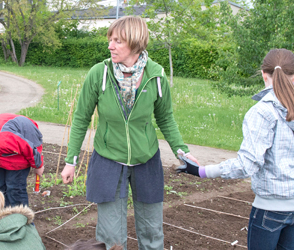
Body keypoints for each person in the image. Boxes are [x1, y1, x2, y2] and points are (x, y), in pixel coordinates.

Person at [60, 16, 199, 250]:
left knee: (152, 231)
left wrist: (181, 150)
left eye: (117, 41)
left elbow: (165, 117)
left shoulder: (156, 75)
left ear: (135, 43)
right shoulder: (99, 74)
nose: (110, 46)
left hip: (146, 160)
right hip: (108, 159)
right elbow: (81, 118)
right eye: (110, 40)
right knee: (110, 236)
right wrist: (71, 161)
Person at [178, 49, 294, 250]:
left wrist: (201, 171)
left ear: (264, 74)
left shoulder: (263, 111)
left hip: (271, 208)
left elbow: (247, 164)